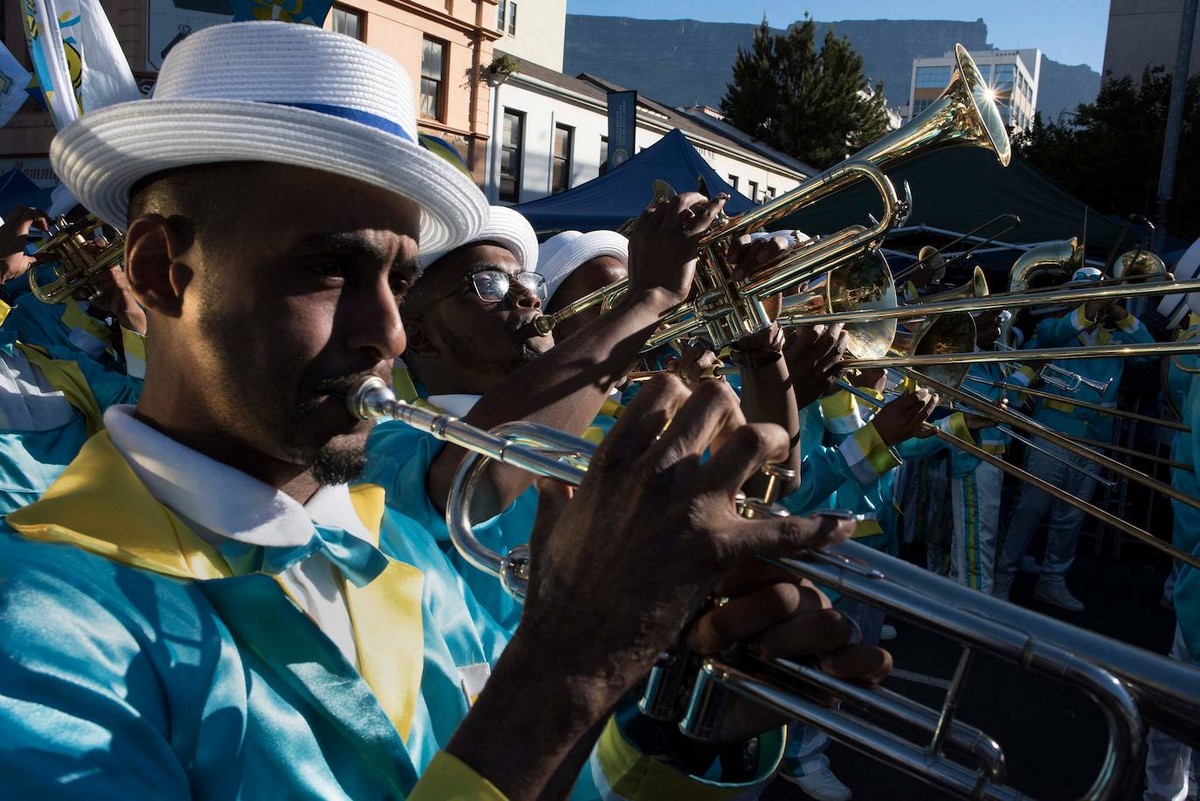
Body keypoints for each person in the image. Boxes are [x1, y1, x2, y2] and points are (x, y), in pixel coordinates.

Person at [0, 21, 889, 799]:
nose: (389, 331)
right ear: (160, 272)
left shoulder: (407, 552)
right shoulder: (40, 625)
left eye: (400, 280)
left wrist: (674, 724)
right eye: (328, 268)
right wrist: (571, 662)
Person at [994, 266, 1154, 611]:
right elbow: (1050, 337)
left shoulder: (1118, 337)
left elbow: (1152, 353)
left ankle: (1052, 580)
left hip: (1096, 437)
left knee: (1072, 516)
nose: (1097, 303)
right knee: (1031, 508)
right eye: (1088, 297)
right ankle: (1002, 578)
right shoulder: (1054, 330)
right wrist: (1088, 311)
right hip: (1053, 432)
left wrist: (1123, 316)